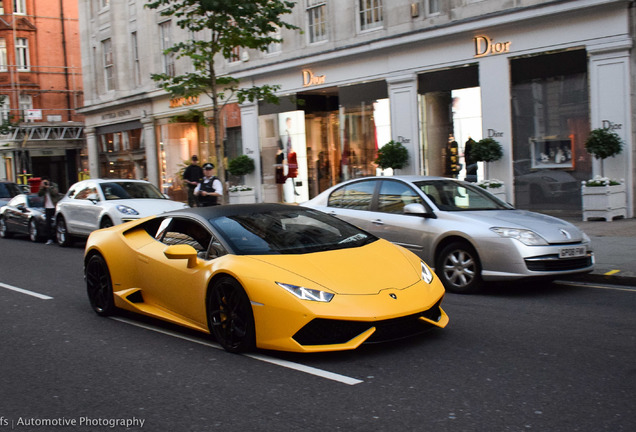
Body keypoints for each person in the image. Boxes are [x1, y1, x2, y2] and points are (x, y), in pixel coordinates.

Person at [37, 177, 62, 245]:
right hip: (47, 208)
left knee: (56, 222)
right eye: (43, 182)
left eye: (45, 182)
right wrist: (42, 187)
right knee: (48, 224)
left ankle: (58, 238)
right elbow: (39, 194)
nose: (44, 183)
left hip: (54, 207)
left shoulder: (53, 185)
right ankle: (49, 239)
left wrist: (48, 187)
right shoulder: (43, 187)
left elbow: (55, 193)